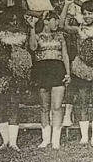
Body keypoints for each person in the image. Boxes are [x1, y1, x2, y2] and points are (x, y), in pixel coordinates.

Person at [0, 7, 32, 151]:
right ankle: (5, 141)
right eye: (11, 19)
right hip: (0, 72)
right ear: (5, 20)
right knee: (1, 106)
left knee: (14, 104)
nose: (14, 22)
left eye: (16, 20)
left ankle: (13, 142)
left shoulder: (24, 33)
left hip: (16, 74)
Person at [60, 0, 93, 146]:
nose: (87, 17)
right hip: (81, 69)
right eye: (85, 13)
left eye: (90, 14)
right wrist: (67, 5)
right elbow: (62, 25)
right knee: (82, 101)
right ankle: (84, 136)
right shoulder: (78, 28)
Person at [29, 11, 71, 149]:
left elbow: (65, 55)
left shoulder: (60, 36)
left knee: (57, 106)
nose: (57, 23)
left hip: (58, 69)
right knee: (44, 107)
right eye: (55, 20)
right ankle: (45, 139)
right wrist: (32, 27)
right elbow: (33, 47)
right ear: (46, 21)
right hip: (42, 71)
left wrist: (68, 73)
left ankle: (56, 140)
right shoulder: (37, 35)